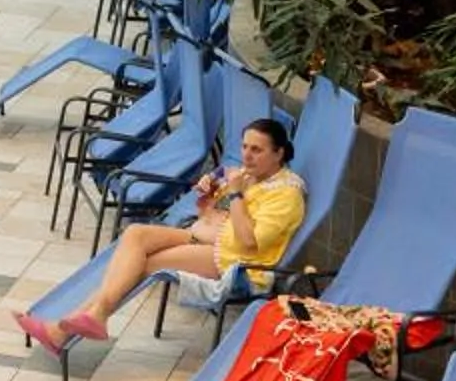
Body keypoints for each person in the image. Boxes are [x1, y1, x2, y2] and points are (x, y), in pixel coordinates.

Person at [18, 117, 306, 354]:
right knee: (135, 234)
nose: (246, 155)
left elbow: (248, 242)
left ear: (279, 153)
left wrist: (236, 193)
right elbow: (208, 213)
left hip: (239, 263)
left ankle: (68, 327)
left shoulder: (286, 195)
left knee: (150, 262)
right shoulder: (249, 176)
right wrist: (208, 194)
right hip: (210, 237)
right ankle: (92, 317)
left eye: (257, 150)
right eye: (244, 146)